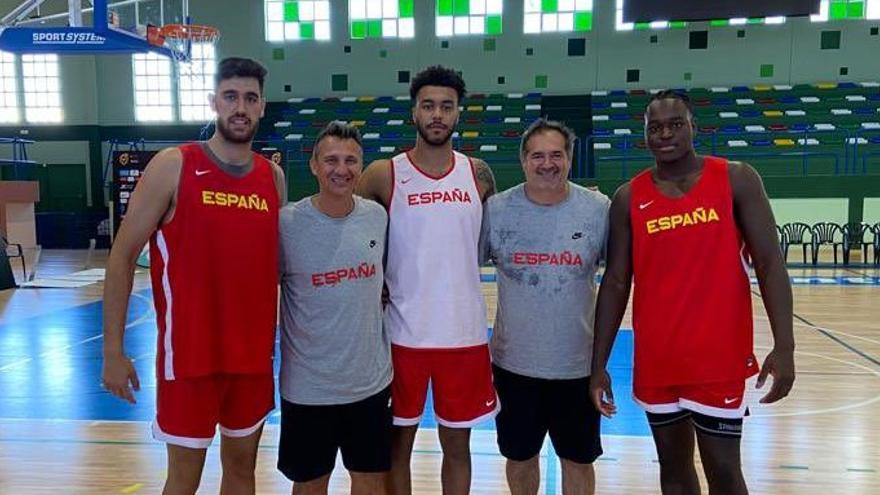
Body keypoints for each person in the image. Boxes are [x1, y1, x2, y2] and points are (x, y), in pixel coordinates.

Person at [589, 90, 796, 495]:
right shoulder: (629, 197)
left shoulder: (736, 178)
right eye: (655, 127)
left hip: (718, 358)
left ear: (693, 128)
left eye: (675, 124)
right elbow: (615, 282)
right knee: (674, 470)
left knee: (723, 470)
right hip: (657, 359)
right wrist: (599, 363)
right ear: (645, 134)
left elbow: (770, 263)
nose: (665, 134)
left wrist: (784, 345)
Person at [101, 57, 286, 495]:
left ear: (262, 107)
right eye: (230, 96)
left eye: (250, 98)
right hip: (189, 359)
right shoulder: (174, 165)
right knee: (184, 479)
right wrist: (113, 351)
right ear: (214, 103)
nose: (240, 107)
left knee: (242, 472)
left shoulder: (272, 178)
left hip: (252, 360)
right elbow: (122, 256)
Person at [356, 65, 497, 495]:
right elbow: (357, 237)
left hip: (465, 335)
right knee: (397, 446)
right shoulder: (384, 173)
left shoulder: (479, 174)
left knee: (458, 446)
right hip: (402, 335)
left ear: (458, 114)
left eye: (446, 107)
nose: (437, 114)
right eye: (428, 106)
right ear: (414, 112)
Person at [480, 118, 609, 495]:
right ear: (523, 160)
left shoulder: (598, 209)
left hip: (577, 366)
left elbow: (621, 279)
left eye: (556, 155)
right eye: (538, 156)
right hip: (513, 365)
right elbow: (455, 268)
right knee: (520, 458)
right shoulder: (497, 210)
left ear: (570, 159)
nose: (547, 163)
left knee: (578, 460)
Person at [277, 121, 392, 495]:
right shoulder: (286, 224)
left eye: (350, 160)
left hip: (370, 384)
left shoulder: (377, 216)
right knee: (310, 484)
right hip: (309, 388)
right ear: (313, 165)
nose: (341, 170)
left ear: (361, 166)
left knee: (371, 480)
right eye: (331, 160)